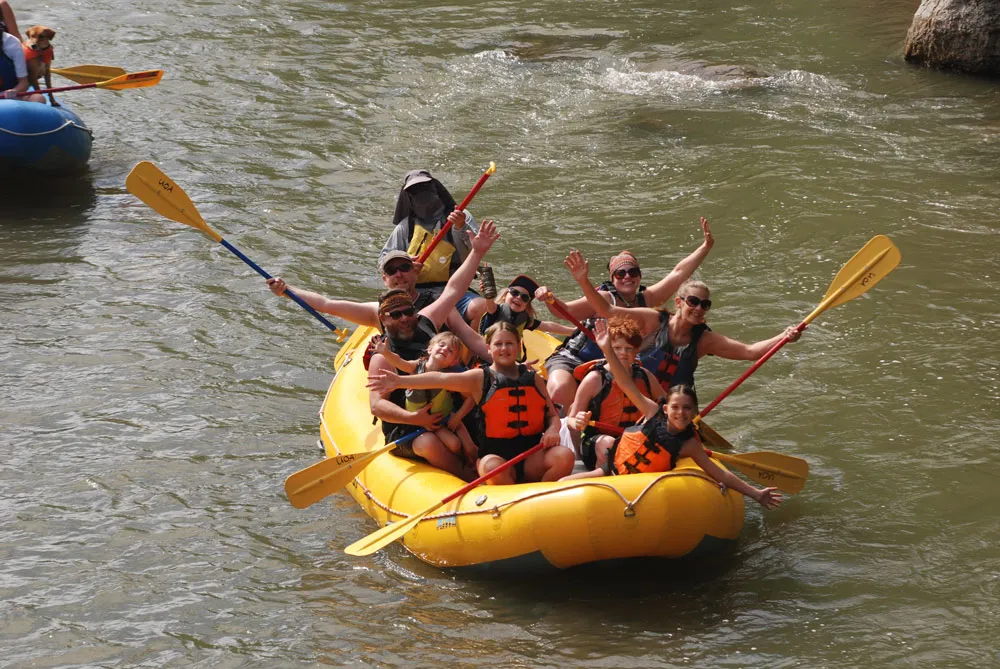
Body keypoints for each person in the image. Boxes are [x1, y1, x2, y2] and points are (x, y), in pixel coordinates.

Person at [560, 322, 784, 510]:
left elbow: (721, 474)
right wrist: (606, 349)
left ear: (694, 413)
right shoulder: (652, 412)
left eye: (687, 409)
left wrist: (756, 494)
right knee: (563, 483)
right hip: (611, 465)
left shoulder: (689, 445)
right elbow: (626, 383)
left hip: (633, 482)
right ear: (666, 408)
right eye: (676, 408)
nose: (681, 413)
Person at [535, 217, 714, 411]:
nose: (627, 277)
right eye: (621, 274)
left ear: (639, 276)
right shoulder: (603, 298)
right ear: (612, 279)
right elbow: (565, 312)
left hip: (616, 368)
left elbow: (679, 273)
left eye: (633, 272)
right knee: (560, 390)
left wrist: (706, 246)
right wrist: (549, 297)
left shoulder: (648, 299)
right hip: (575, 359)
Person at [367, 322, 575, 485]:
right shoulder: (479, 377)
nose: (504, 348)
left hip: (531, 456)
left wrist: (553, 430)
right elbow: (438, 379)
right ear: (489, 348)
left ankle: (539, 493)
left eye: (510, 343)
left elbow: (552, 415)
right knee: (493, 467)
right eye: (498, 344)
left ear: (518, 346)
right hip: (497, 458)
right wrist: (400, 381)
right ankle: (511, 499)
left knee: (564, 456)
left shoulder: (533, 378)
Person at [564, 252, 802, 393]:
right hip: (635, 395)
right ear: (679, 302)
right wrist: (584, 281)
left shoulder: (705, 340)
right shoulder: (654, 320)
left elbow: (750, 353)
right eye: (693, 302)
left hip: (674, 407)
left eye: (704, 305)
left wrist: (784, 336)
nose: (698, 308)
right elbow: (605, 309)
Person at [266, 220, 501, 361]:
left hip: (443, 365)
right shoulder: (377, 312)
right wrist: (287, 290)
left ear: (415, 272)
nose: (399, 274)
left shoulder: (434, 308)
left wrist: (499, 361)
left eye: (404, 267)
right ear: (385, 279)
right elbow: (326, 304)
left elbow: (468, 332)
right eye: (392, 271)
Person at [563, 316, 665, 472]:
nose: (623, 353)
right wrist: (577, 422)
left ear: (636, 351)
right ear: (606, 350)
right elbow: (571, 419)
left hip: (634, 439)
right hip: (598, 442)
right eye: (616, 348)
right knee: (609, 444)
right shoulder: (595, 379)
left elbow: (665, 405)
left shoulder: (645, 376)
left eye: (629, 348)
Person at [373, 332, 479, 475]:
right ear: (430, 349)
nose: (444, 350)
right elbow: (399, 362)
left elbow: (473, 395)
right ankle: (462, 467)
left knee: (466, 447)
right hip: (425, 423)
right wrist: (385, 352)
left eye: (450, 351)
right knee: (454, 444)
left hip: (447, 418)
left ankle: (473, 460)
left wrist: (458, 416)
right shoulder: (416, 367)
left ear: (453, 361)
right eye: (441, 345)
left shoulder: (449, 377)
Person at [380, 169, 481, 316]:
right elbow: (384, 260)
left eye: (425, 189)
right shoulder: (405, 226)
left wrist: (461, 227)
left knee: (478, 308)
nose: (422, 196)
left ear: (435, 189)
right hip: (415, 293)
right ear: (409, 198)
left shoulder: (460, 216)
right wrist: (405, 264)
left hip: (454, 290)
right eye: (415, 192)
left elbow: (478, 251)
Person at [463, 274, 575, 357]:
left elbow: (548, 326)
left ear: (526, 305)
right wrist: (488, 291)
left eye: (524, 298)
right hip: (488, 357)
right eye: (515, 293)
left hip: (511, 361)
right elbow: (490, 302)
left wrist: (573, 331)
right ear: (504, 296)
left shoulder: (524, 320)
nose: (518, 298)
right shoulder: (495, 311)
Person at [0, 7, 41, 103]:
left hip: (9, 97)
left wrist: (15, 91)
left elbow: (24, 83)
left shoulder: (12, 43)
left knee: (38, 98)